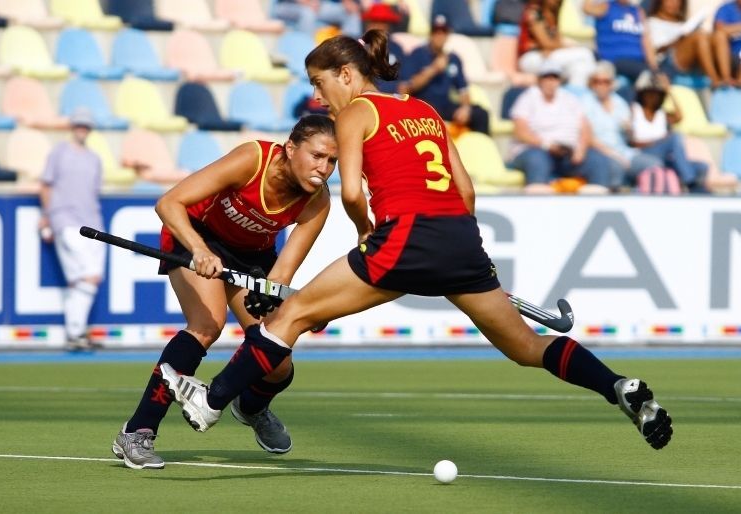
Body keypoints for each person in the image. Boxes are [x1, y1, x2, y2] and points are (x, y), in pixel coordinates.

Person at [160, 30, 673, 454]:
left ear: (346, 73)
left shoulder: (355, 112)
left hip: (403, 237)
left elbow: (354, 192)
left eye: (320, 84)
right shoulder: (425, 109)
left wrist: (368, 233)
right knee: (526, 346)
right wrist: (455, 250)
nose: (319, 98)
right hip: (460, 238)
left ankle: (211, 402)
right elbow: (465, 191)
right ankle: (616, 386)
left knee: (287, 318)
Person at [110, 115, 337, 470]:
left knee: (279, 358)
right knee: (207, 325)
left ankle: (252, 407)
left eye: (332, 161)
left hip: (253, 258)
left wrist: (275, 295)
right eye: (318, 156)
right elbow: (169, 204)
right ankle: (138, 431)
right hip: (198, 235)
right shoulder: (253, 159)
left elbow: (281, 273)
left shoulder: (317, 202)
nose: (324, 168)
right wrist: (200, 251)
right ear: (290, 149)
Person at [38, 108, 105, 351]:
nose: (82, 129)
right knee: (87, 276)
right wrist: (47, 215)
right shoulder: (59, 152)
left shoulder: (94, 158)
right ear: (72, 127)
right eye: (78, 125)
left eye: (85, 126)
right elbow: (46, 185)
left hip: (92, 222)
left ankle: (76, 332)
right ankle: (75, 332)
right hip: (65, 219)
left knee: (84, 280)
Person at [508, 61, 614, 192]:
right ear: (539, 80)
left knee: (597, 161)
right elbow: (521, 132)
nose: (551, 81)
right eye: (547, 77)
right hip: (536, 150)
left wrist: (580, 149)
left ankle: (596, 201)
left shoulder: (569, 99)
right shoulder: (528, 98)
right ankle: (537, 200)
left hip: (568, 152)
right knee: (538, 160)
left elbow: (586, 126)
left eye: (554, 77)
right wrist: (547, 145)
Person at [400, 15, 490, 135]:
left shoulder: (453, 59)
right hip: (422, 105)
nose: (440, 35)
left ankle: (480, 149)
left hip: (445, 106)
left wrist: (465, 108)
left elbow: (463, 90)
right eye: (436, 31)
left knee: (480, 114)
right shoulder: (417, 54)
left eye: (443, 31)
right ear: (431, 33)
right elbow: (406, 88)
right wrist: (433, 70)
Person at [580, 60, 664, 187]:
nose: (602, 85)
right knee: (616, 168)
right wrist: (614, 155)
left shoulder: (620, 103)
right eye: (598, 81)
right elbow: (588, 138)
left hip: (624, 152)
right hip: (601, 153)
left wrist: (629, 130)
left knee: (654, 164)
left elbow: (630, 138)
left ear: (612, 84)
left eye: (606, 82)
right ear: (592, 83)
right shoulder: (585, 103)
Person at [629, 70, 708, 191]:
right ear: (643, 94)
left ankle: (694, 186)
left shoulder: (662, 114)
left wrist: (668, 91)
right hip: (643, 152)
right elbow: (632, 142)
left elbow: (679, 116)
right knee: (675, 137)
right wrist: (658, 142)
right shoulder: (635, 110)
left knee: (702, 166)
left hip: (663, 155)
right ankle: (689, 181)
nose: (653, 97)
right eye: (649, 93)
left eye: (657, 94)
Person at [647, 0, 730, 88]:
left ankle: (727, 78)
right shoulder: (651, 22)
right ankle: (715, 80)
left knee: (718, 36)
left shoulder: (682, 24)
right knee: (698, 37)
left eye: (677, 1)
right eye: (669, 1)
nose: (673, 4)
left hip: (690, 60)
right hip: (667, 62)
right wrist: (678, 39)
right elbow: (655, 49)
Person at [517, 0, 597, 88]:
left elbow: (556, 41)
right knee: (586, 54)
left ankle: (573, 96)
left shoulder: (553, 15)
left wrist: (560, 46)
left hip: (549, 55)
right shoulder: (534, 13)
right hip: (531, 57)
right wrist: (566, 46)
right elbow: (546, 43)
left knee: (580, 68)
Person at [584, 0, 660, 83]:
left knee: (659, 75)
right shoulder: (606, 7)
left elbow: (646, 41)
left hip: (638, 62)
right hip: (614, 60)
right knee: (648, 75)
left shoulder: (637, 11)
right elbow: (587, 9)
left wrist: (654, 68)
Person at [361, 3, 405, 94]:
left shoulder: (397, 49)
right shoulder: (358, 47)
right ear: (368, 24)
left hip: (391, 98)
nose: (378, 26)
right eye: (375, 21)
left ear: (388, 25)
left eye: (383, 22)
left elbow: (404, 80)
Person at [271, 0, 363, 37]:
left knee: (350, 11)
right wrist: (307, 3)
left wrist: (348, 2)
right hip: (288, 6)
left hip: (319, 5)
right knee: (308, 13)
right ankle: (307, 53)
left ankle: (350, 46)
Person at [713, 0, 741, 85]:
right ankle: (726, 80)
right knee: (720, 36)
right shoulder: (726, 8)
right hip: (730, 56)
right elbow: (720, 29)